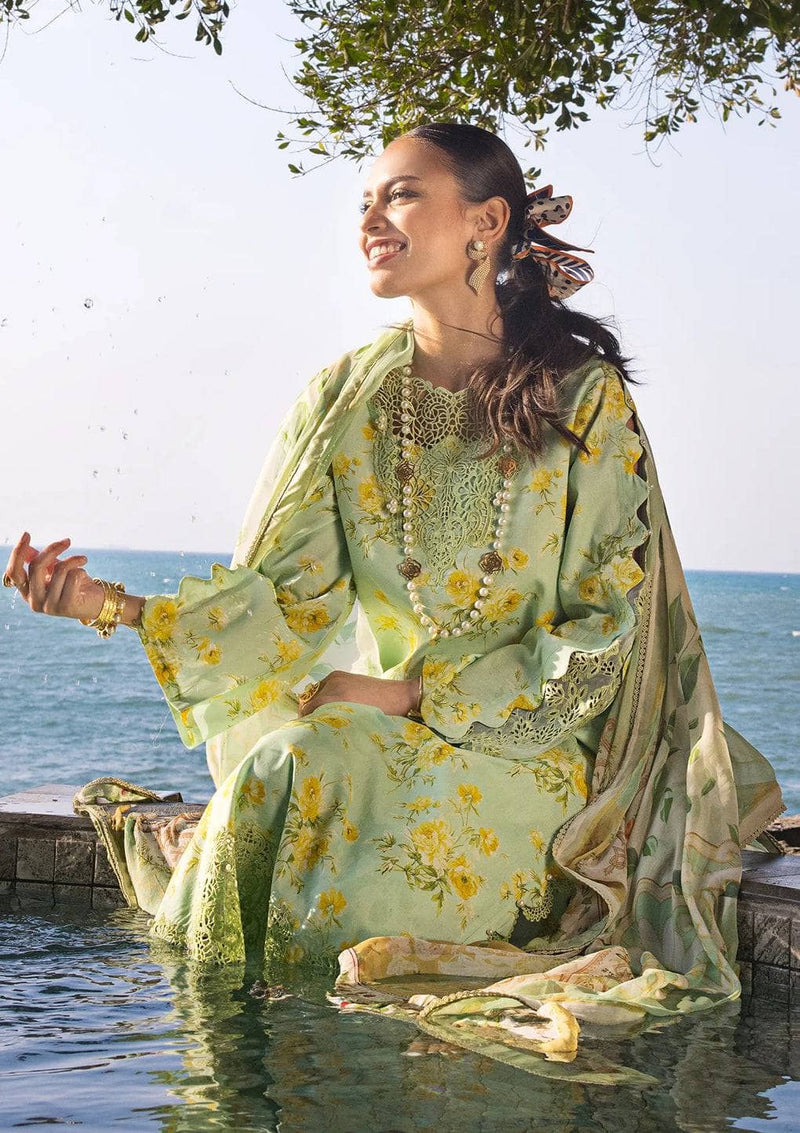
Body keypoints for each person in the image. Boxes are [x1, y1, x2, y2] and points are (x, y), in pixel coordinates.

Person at [3, 124, 784, 1053]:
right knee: (292, 761)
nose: (371, 219)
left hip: (533, 751)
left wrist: (411, 693)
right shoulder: (346, 398)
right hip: (378, 738)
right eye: (364, 202)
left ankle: (276, 1051)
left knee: (309, 761)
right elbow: (286, 600)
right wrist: (108, 607)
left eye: (401, 194)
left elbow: (604, 629)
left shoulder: (581, 396)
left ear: (486, 222)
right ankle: (240, 1057)